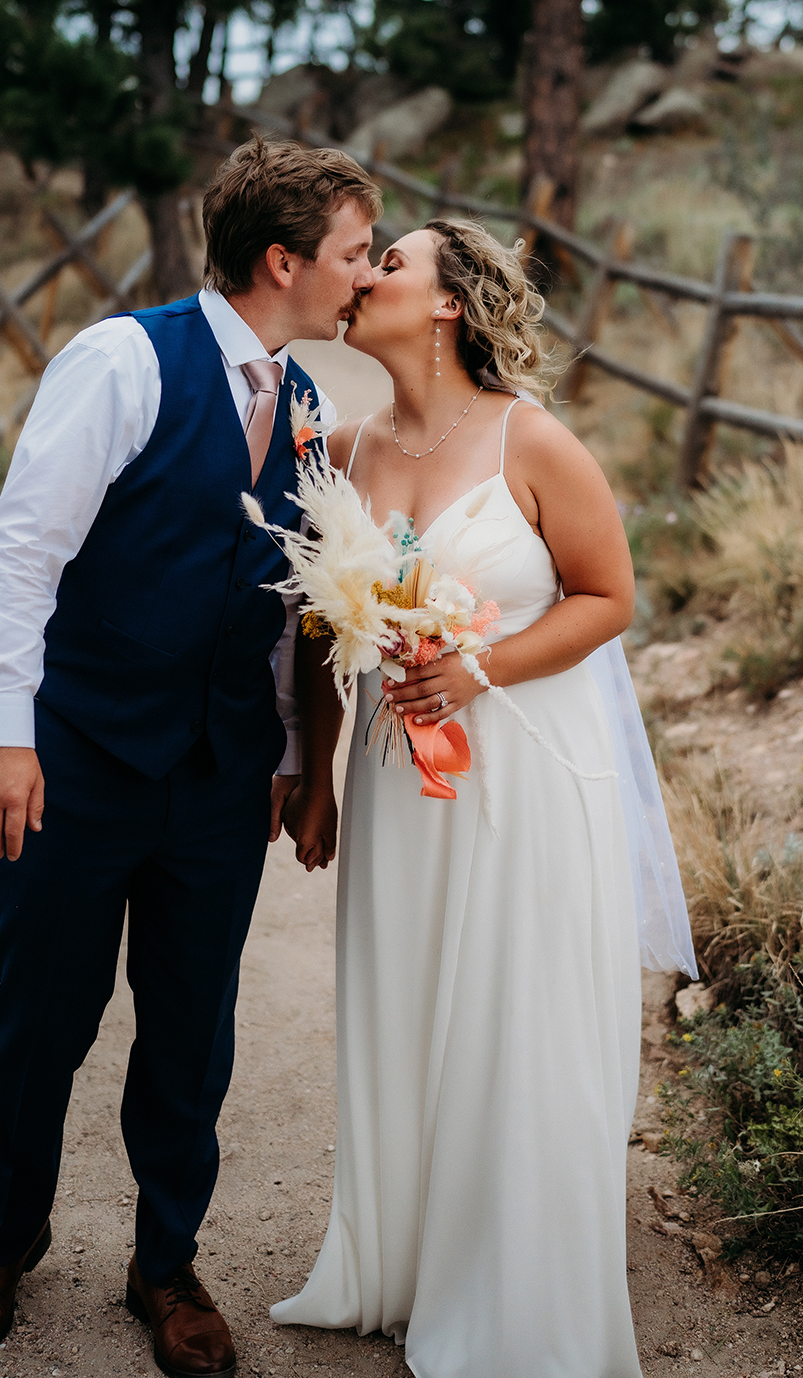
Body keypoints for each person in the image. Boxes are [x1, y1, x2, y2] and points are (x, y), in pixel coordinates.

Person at [0, 140, 381, 1377]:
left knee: (193, 1025)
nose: (366, 273)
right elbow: (20, 552)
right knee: (45, 1016)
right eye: (352, 252)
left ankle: (165, 1260)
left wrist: (290, 755)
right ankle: (1, 1245)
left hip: (218, 778)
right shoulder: (123, 360)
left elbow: (288, 603)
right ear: (283, 258)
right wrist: (2, 734)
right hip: (74, 760)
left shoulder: (305, 406)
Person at [271, 216, 678, 1378]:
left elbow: (608, 596)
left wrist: (480, 665)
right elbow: (317, 625)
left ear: (448, 302)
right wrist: (318, 764)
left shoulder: (531, 441)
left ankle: (514, 1287)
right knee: (404, 1001)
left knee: (513, 1012)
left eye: (389, 262)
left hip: (526, 778)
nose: (365, 277)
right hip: (403, 782)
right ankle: (399, 1262)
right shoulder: (338, 451)